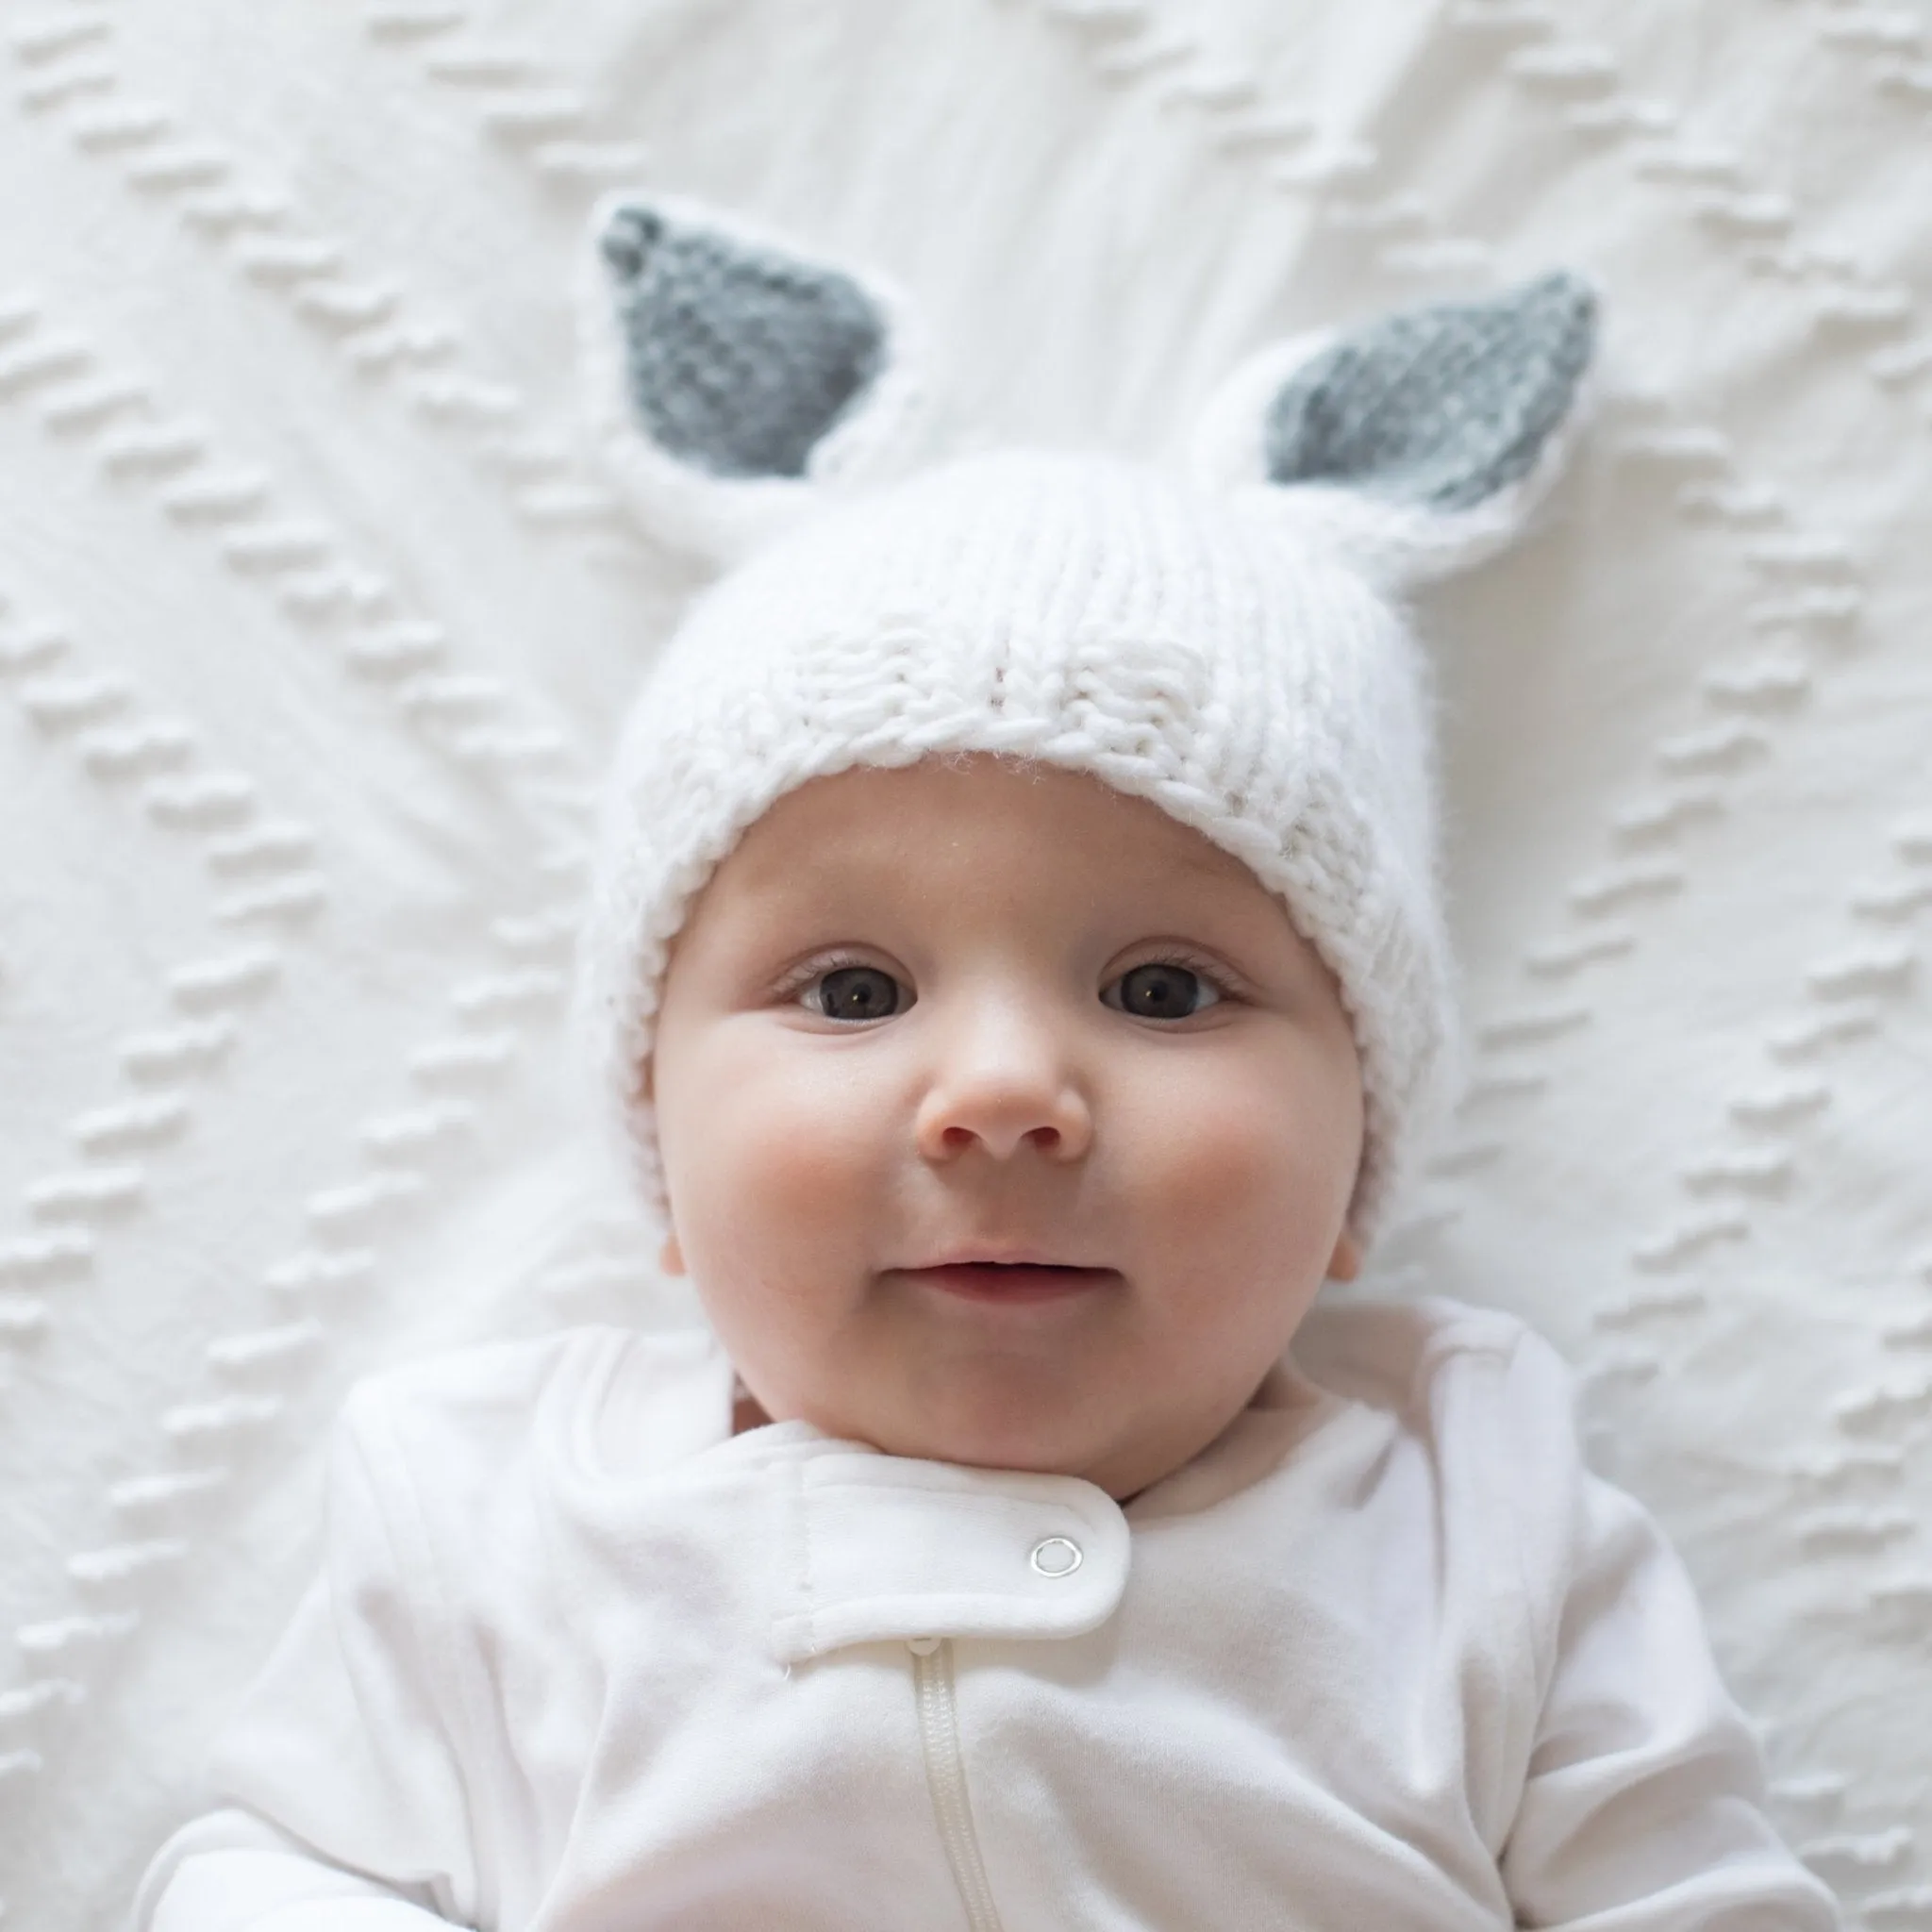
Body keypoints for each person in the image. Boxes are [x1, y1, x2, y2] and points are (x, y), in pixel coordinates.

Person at [134, 201, 1840, 1930]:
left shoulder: (1478, 1513)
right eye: (856, 988)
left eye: (1167, 991)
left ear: (1358, 1162)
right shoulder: (498, 1511)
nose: (1007, 1089)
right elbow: (274, 1870)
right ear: (658, 1139)